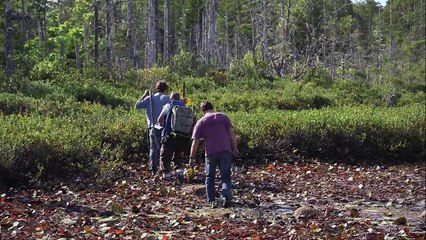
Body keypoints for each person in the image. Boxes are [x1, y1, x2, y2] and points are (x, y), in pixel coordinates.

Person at [189, 101, 238, 208]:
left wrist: (191, 157)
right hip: (226, 149)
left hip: (210, 152)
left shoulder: (201, 122)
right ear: (212, 107)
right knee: (225, 176)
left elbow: (195, 142)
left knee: (210, 177)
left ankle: (211, 200)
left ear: (202, 110)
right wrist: (235, 149)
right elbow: (232, 134)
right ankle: (226, 196)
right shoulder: (224, 117)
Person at [135, 80, 170, 176]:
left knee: (153, 148)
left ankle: (153, 169)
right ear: (165, 89)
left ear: (156, 88)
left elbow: (137, 105)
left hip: (153, 128)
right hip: (165, 128)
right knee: (164, 148)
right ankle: (163, 169)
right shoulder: (167, 99)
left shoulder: (149, 98)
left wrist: (144, 95)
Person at [157, 92, 193, 181]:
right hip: (183, 136)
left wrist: (162, 125)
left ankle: (167, 175)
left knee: (165, 156)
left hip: (170, 136)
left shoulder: (169, 105)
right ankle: (180, 174)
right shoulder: (185, 107)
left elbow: (159, 119)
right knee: (179, 156)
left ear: (171, 98)